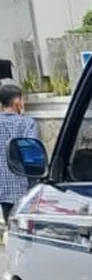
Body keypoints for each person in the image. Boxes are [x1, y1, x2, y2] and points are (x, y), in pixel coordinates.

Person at [1, 82, 38, 221]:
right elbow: (32, 156)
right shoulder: (27, 123)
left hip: (3, 189)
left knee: (10, 225)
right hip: (23, 187)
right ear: (17, 101)